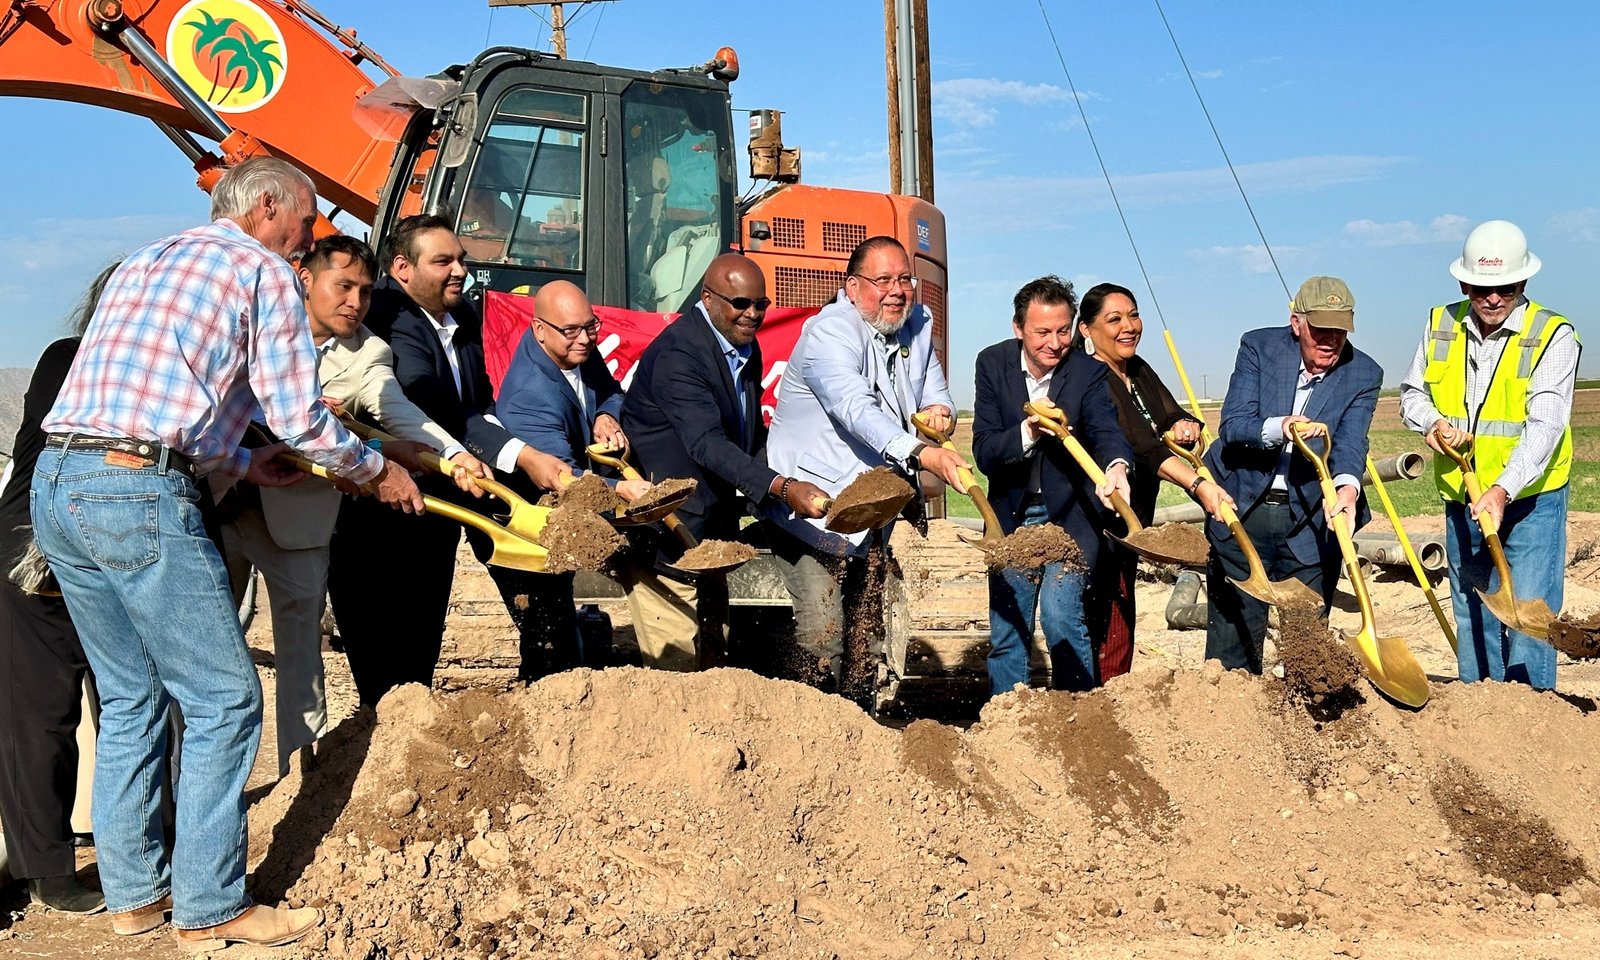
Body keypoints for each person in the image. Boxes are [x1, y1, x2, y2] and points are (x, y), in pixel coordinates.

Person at [30, 157, 425, 948]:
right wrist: (378, 470)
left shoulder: (149, 258)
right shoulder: (262, 271)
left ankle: (136, 894)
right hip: (136, 490)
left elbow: (160, 396)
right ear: (267, 205)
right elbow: (301, 415)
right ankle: (213, 906)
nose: (308, 239)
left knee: (132, 695)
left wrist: (244, 462)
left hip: (61, 481)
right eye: (306, 221)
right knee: (225, 700)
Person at [217, 236, 490, 777]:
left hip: (295, 522)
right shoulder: (255, 328)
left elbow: (397, 410)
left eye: (365, 291)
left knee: (300, 654)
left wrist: (453, 455)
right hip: (219, 504)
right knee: (205, 654)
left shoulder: (367, 352)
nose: (356, 302)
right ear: (304, 281)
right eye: (343, 286)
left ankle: (304, 780)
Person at [328, 214, 571, 706]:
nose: (459, 270)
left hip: (448, 493)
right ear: (402, 267)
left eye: (461, 259)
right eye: (443, 261)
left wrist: (515, 454)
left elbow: (477, 405)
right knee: (390, 644)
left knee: (427, 629)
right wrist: (521, 456)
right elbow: (431, 407)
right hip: (390, 507)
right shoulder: (390, 322)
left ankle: (555, 678)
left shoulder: (464, 318)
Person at [760, 236, 967, 704]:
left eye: (904, 280)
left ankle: (861, 734)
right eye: (882, 281)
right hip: (813, 508)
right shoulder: (828, 334)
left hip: (874, 509)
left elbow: (937, 393)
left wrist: (940, 413)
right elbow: (855, 408)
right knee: (823, 632)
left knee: (867, 632)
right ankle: (813, 733)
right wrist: (920, 453)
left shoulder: (917, 324)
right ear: (852, 288)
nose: (897, 291)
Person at [621, 254, 828, 669]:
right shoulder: (679, 354)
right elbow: (706, 444)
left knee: (715, 659)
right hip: (668, 535)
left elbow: (747, 437)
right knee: (676, 671)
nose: (752, 314)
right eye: (740, 303)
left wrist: (795, 476)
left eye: (761, 304)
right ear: (708, 297)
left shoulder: (743, 348)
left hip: (710, 532)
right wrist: (782, 488)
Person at [1399, 220, 1578, 690]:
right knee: (1472, 611)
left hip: (1531, 500)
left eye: (1506, 287)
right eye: (1482, 287)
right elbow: (1412, 393)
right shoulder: (1440, 324)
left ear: (1523, 282)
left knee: (1529, 616)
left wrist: (1502, 489)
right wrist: (1431, 423)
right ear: (1464, 282)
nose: (1493, 298)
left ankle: (1531, 717)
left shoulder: (1552, 335)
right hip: (1463, 499)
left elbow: (1546, 425)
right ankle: (1481, 716)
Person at [0, 265, 118, 916]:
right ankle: (45, 868)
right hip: (33, 563)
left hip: (110, 561)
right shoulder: (67, 360)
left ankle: (135, 847)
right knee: (42, 719)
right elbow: (82, 436)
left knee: (128, 710)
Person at [1203, 276, 1380, 673]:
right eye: (1320, 329)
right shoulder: (1259, 348)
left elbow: (1351, 443)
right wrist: (1280, 427)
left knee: (1308, 647)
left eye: (1340, 330)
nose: (1330, 340)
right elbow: (1232, 425)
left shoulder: (1364, 373)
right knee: (1234, 646)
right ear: (1296, 322)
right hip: (1242, 508)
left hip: (1311, 520)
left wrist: (1347, 491)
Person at [972, 276, 1134, 696]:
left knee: (1062, 616)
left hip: (1072, 517)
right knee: (1009, 625)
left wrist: (1116, 467)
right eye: (1042, 332)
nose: (1055, 342)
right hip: (1011, 516)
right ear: (1018, 328)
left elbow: (1106, 431)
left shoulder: (1089, 373)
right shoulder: (992, 364)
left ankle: (1076, 716)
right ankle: (1010, 721)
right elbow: (986, 452)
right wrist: (1027, 430)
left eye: (1064, 331)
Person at [1072, 283, 1233, 681]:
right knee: (1101, 604)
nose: (1128, 327)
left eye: (1133, 315)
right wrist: (1196, 486)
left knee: (1122, 601)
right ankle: (1096, 697)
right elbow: (1142, 448)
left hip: (1136, 515)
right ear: (1086, 330)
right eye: (1114, 320)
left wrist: (1184, 424)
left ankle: (1116, 691)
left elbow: (1168, 415)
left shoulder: (1138, 370)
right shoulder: (1091, 378)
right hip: (1100, 515)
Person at [491, 279, 651, 677]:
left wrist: (606, 415)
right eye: (571, 331)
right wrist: (624, 490)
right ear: (539, 330)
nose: (584, 339)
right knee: (550, 638)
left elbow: (610, 390)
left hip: (556, 520)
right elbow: (563, 484)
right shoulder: (529, 397)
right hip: (527, 531)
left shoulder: (576, 349)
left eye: (591, 326)